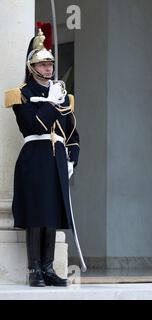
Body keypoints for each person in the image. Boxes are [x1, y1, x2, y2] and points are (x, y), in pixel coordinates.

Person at [4, 25, 80, 287]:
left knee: (52, 213)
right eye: (43, 64)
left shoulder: (61, 95)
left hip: (56, 157)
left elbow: (72, 135)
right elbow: (35, 125)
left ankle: (48, 268)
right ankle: (34, 269)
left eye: (50, 64)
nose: (48, 69)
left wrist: (72, 160)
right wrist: (50, 102)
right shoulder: (21, 95)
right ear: (32, 66)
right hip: (35, 155)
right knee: (37, 212)